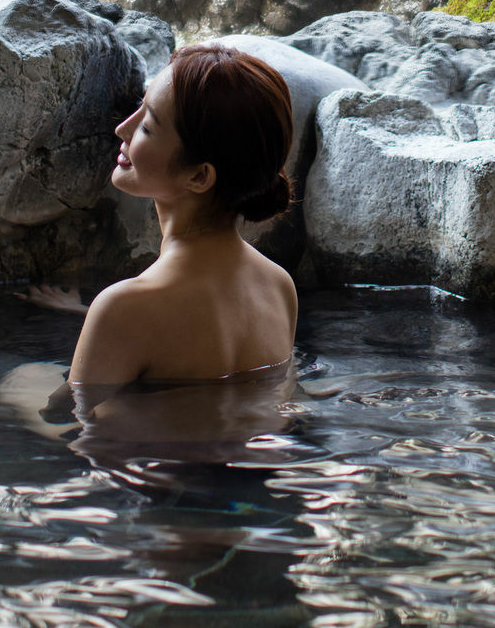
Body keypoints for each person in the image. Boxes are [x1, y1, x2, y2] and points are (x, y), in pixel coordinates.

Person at [27, 44, 300, 416]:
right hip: (255, 468)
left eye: (147, 125)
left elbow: (70, 425)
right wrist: (84, 313)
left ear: (199, 176)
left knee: (19, 381)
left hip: (147, 472)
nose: (122, 127)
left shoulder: (124, 309)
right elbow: (197, 345)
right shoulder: (278, 285)